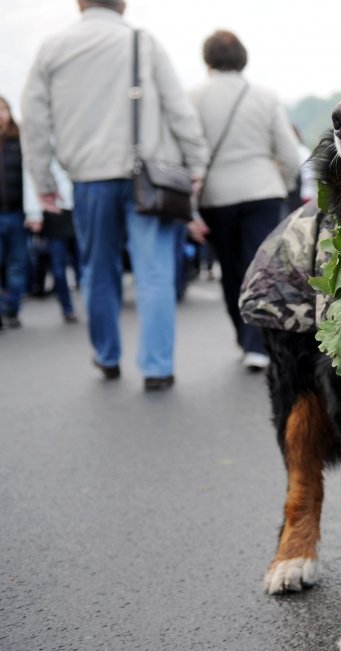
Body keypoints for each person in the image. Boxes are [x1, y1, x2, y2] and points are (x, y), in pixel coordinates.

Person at [21, 0, 209, 390]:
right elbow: (179, 109)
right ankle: (157, 367)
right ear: (122, 4)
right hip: (147, 177)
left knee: (97, 271)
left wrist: (43, 181)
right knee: (155, 272)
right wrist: (196, 162)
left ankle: (107, 356)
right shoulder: (143, 41)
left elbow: (35, 120)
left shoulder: (52, 48)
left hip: (87, 178)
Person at [189, 30, 300, 372]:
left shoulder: (192, 96)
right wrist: (280, 184)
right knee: (261, 267)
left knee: (230, 268)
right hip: (261, 191)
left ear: (207, 59)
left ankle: (244, 336)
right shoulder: (263, 95)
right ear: (243, 57)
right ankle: (259, 344)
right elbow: (289, 154)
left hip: (215, 194)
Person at [24, 160, 79, 323]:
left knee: (85, 263)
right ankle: (67, 307)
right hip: (53, 209)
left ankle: (96, 304)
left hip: (77, 206)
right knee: (58, 266)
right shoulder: (38, 140)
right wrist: (34, 213)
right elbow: (30, 175)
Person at [0, 95, 31, 330]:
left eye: (3, 109)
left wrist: (34, 212)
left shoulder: (20, 140)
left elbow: (30, 177)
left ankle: (12, 309)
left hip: (18, 213)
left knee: (17, 265)